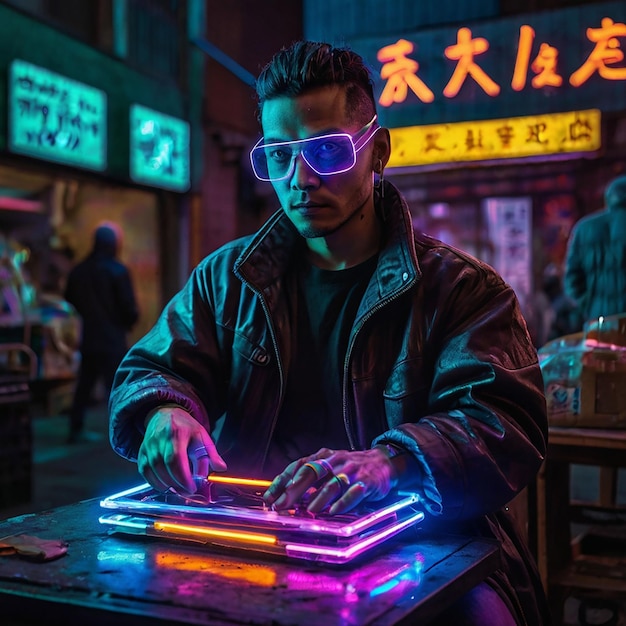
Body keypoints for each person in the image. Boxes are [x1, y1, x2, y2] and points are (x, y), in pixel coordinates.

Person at [109, 41, 550, 625]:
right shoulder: (227, 278)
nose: (302, 177)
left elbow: (506, 422)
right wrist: (163, 411)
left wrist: (390, 462)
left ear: (379, 152)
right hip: (253, 533)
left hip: (418, 543)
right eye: (280, 155)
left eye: (326, 151)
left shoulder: (461, 290)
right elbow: (153, 368)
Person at [65, 221, 138, 443]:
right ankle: (122, 433)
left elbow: (70, 298)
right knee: (116, 387)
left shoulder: (79, 271)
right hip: (112, 338)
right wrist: (126, 322)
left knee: (84, 386)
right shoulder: (117, 270)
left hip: (89, 337)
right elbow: (128, 308)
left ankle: (75, 428)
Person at [564, 174, 626, 323]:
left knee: (599, 346)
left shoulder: (584, 228)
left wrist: (589, 305)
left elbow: (572, 279)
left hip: (599, 322)